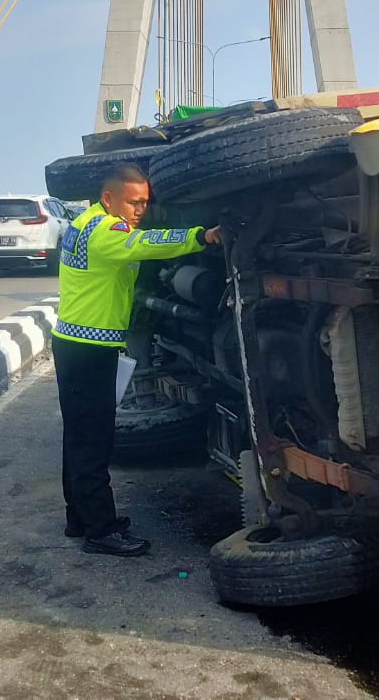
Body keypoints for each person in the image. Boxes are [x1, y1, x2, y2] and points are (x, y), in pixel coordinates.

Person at [53, 164, 220, 556]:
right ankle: (101, 530)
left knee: (78, 437)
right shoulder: (108, 232)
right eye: (133, 202)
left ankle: (79, 518)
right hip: (89, 349)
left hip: (72, 343)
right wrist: (202, 236)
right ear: (108, 198)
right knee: (94, 438)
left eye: (145, 202)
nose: (140, 210)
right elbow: (148, 243)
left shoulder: (83, 221)